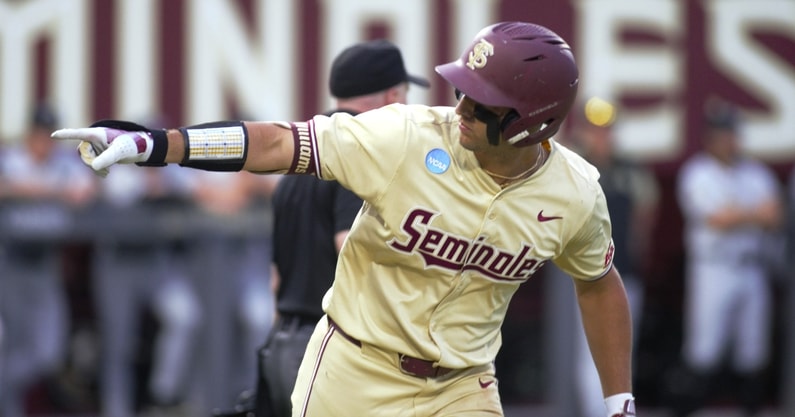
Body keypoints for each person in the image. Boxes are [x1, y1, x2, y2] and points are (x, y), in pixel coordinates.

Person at [52, 21, 636, 417]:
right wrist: (157, 145)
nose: (458, 107)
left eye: (480, 102)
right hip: (355, 368)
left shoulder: (576, 192)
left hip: (463, 386)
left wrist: (619, 400)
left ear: (530, 123)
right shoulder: (405, 135)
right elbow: (278, 144)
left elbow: (598, 281)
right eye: (461, 88)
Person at [255, 39, 430, 417]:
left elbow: (275, 278)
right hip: (335, 352)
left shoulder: (298, 164)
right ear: (392, 95)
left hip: (285, 342)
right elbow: (351, 250)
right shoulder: (359, 157)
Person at [670, 98, 783, 417]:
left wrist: (740, 215)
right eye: (722, 133)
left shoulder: (756, 173)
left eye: (732, 133)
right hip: (713, 268)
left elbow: (775, 217)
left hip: (752, 267)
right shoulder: (698, 172)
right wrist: (753, 215)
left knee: (754, 352)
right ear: (710, 138)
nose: (728, 140)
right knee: (703, 350)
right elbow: (718, 219)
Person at [0, 102, 96, 417]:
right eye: (39, 134)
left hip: (44, 267)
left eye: (49, 136)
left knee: (48, 353)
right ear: (29, 135)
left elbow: (86, 190)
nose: (43, 142)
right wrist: (46, 191)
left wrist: (54, 191)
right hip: (10, 265)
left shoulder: (63, 163)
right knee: (11, 344)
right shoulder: (11, 159)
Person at [568, 98, 659, 417]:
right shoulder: (570, 165)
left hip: (623, 270)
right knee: (586, 354)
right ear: (581, 131)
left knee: (621, 351)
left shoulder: (630, 171)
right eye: (594, 131)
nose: (601, 138)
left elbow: (646, 212)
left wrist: (637, 251)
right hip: (579, 275)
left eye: (606, 131)